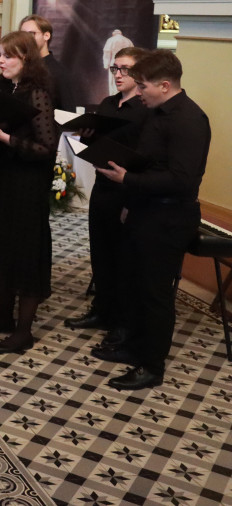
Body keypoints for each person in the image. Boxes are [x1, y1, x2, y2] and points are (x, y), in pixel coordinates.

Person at [93, 50, 210, 390]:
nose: (139, 92)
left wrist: (127, 180)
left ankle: (151, 365)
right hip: (144, 210)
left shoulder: (189, 120)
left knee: (156, 294)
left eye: (143, 86)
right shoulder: (155, 113)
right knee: (134, 284)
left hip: (169, 216)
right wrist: (130, 201)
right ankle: (133, 347)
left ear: (164, 85)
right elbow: (148, 162)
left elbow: (182, 179)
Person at [0, 31, 59, 355]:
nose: (1, 61)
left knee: (24, 252)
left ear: (26, 59)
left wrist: (6, 139)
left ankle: (23, 331)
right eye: (0, 55)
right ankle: (4, 317)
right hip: (1, 177)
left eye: (8, 56)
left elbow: (47, 148)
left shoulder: (38, 94)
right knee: (1, 245)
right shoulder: (7, 90)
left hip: (25, 184)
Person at [64, 48, 151, 343]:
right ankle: (101, 310)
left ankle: (121, 320)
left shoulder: (145, 108)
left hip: (128, 189)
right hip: (103, 186)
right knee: (100, 252)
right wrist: (86, 136)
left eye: (125, 69)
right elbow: (98, 141)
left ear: (140, 72)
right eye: (115, 68)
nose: (118, 74)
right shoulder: (107, 103)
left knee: (123, 257)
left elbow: (146, 153)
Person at [20, 14, 76, 111]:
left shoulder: (58, 72)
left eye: (31, 34)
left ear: (46, 35)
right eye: (22, 35)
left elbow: (68, 112)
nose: (26, 39)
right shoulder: (20, 68)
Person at [102, 30, 134, 96]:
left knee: (113, 81)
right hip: (126, 64)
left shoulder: (110, 40)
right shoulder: (128, 41)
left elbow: (107, 52)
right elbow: (133, 53)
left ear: (113, 34)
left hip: (114, 63)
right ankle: (124, 96)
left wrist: (106, 65)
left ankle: (114, 96)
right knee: (125, 80)